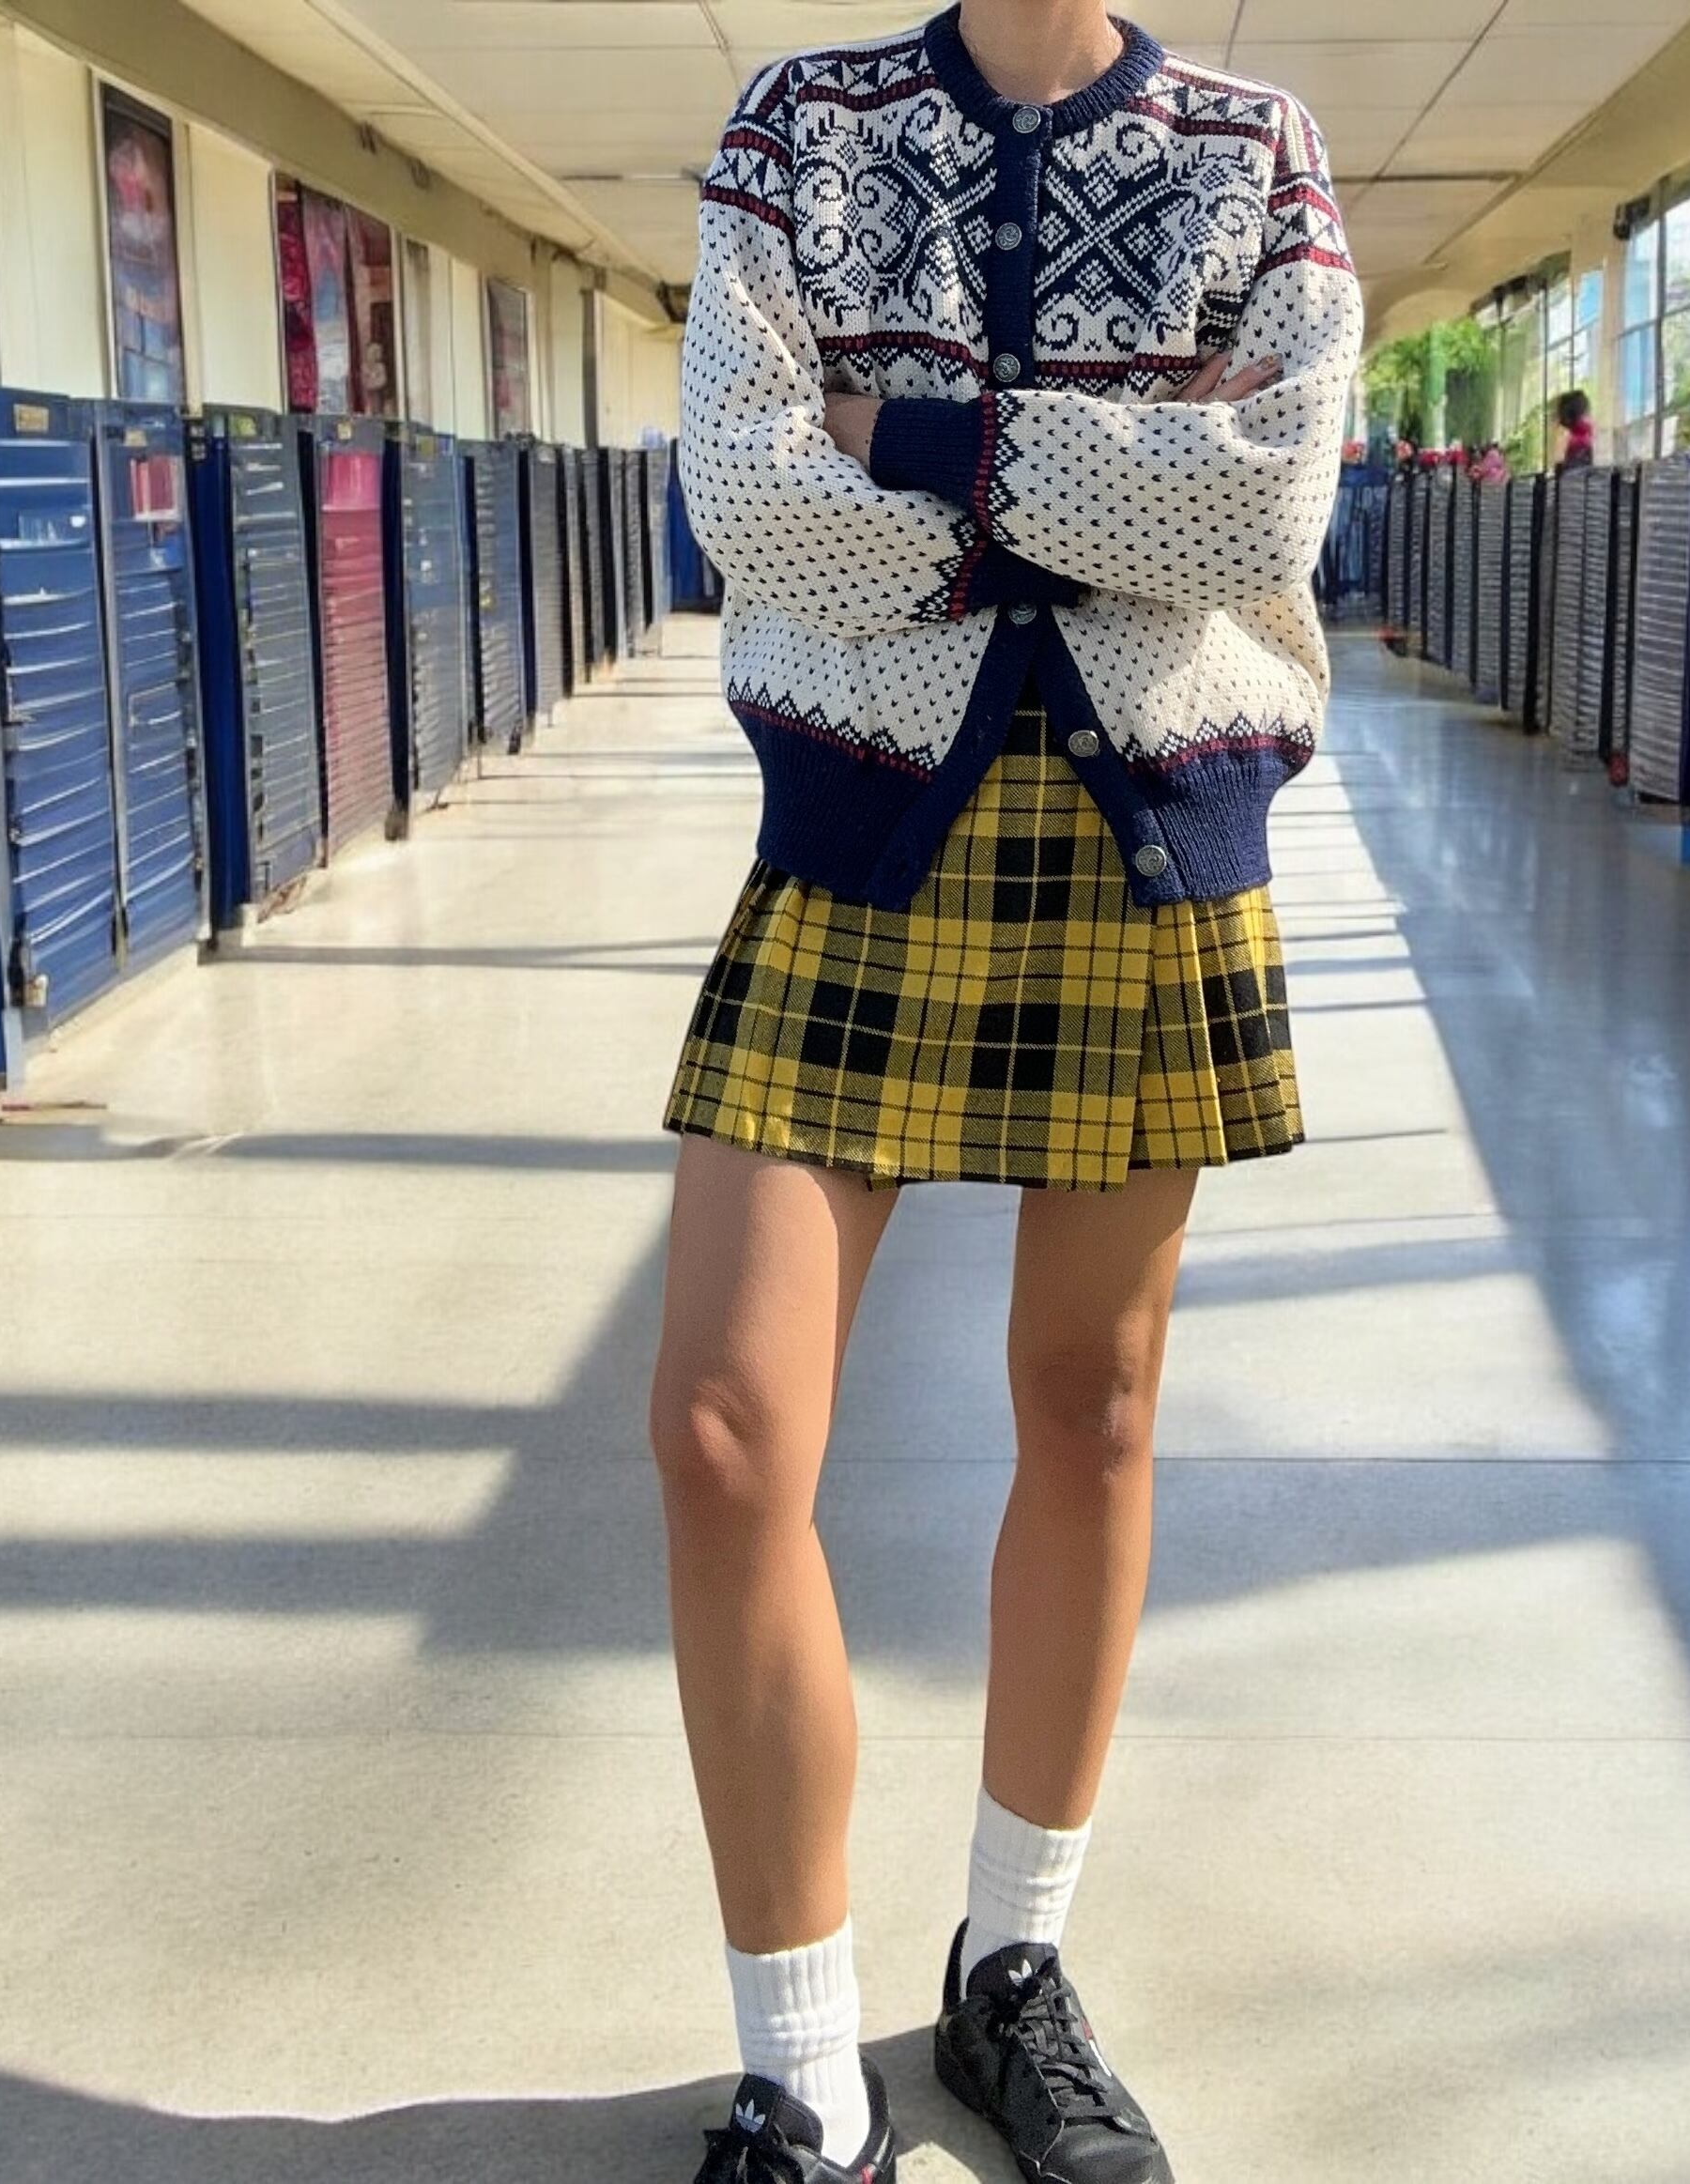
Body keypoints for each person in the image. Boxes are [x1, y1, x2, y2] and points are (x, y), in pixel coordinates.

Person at [657, 5, 1362, 2181]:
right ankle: (800, 2064)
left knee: (1093, 1406)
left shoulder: (1257, 146)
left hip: (1144, 829)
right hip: (857, 822)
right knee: (719, 1428)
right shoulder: (801, 126)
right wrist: (1101, 490)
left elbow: (1268, 500)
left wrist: (912, 440)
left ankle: (1011, 1968)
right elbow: (743, 497)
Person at [1555, 388, 1595, 469]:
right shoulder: (1587, 430)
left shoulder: (1565, 432)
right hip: (1584, 474)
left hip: (1574, 474)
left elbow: (1559, 460)